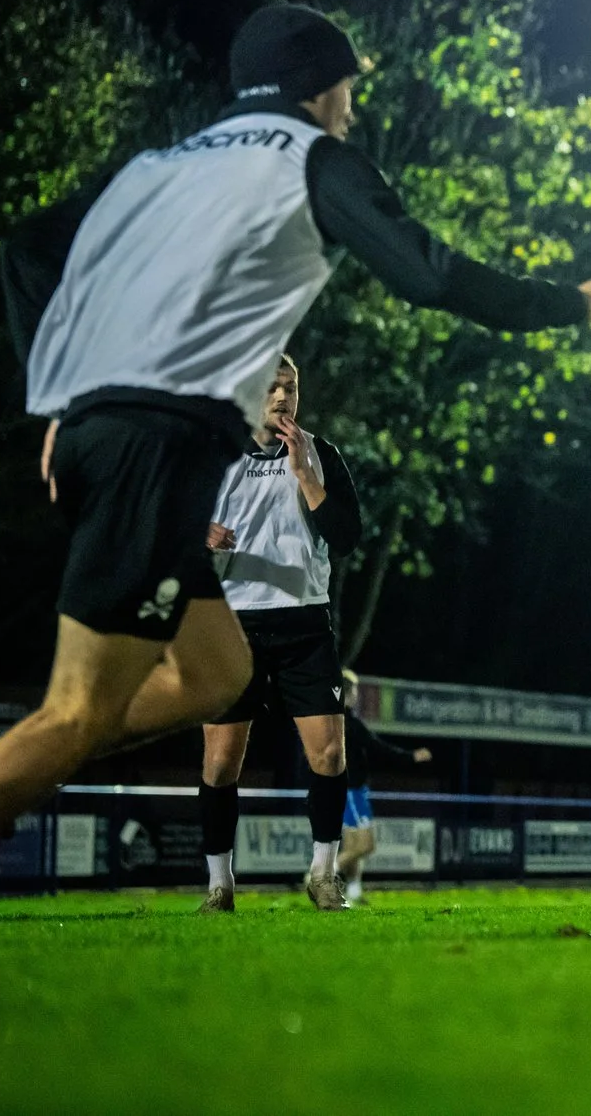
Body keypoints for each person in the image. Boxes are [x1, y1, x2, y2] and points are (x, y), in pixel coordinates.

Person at [0, 3, 591, 952]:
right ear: (317, 86)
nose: (353, 110)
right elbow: (428, 274)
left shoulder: (164, 162)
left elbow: (26, 249)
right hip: (159, 450)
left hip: (110, 436)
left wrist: (55, 405)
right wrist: (570, 305)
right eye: (349, 89)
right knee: (78, 709)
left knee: (217, 672)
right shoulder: (312, 158)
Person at [196, 354, 365, 914]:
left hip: (305, 623)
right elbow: (169, 545)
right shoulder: (216, 461)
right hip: (234, 628)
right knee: (220, 764)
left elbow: (346, 537)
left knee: (331, 754)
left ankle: (322, 875)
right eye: (271, 388)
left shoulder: (321, 454)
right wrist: (201, 537)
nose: (283, 397)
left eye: (290, 387)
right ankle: (220, 887)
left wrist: (307, 478)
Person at [335, 672, 433, 905]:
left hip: (348, 790)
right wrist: (412, 757)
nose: (358, 696)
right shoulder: (351, 725)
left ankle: (354, 892)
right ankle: (322, 873)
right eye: (356, 691)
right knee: (367, 846)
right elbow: (378, 747)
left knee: (351, 846)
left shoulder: (337, 722)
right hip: (352, 792)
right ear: (347, 694)